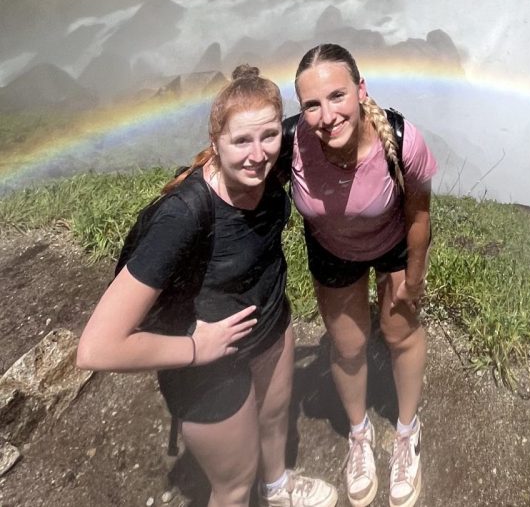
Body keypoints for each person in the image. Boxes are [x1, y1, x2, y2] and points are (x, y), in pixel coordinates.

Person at [77, 65, 337, 507]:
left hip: (271, 326)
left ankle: (277, 488)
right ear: (215, 143)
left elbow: (334, 119)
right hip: (205, 366)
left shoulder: (275, 157)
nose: (258, 154)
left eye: (269, 136)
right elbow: (96, 348)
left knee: (275, 420)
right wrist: (199, 348)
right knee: (234, 485)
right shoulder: (183, 217)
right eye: (241, 141)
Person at [288, 44, 437, 507]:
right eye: (312, 104)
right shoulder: (289, 144)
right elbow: (240, 172)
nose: (326, 115)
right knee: (348, 346)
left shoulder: (401, 139)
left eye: (337, 96)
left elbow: (419, 216)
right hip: (332, 250)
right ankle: (359, 434)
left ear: (360, 90)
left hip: (391, 243)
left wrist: (413, 279)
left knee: (400, 335)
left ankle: (407, 432)